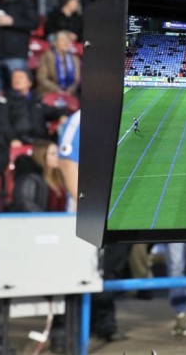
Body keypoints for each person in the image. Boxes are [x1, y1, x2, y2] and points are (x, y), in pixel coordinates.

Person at [56, 111, 128, 344]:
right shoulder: (81, 118)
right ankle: (66, 331)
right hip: (87, 214)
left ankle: (104, 322)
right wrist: (87, 205)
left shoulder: (122, 111)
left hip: (116, 212)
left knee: (110, 270)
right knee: (75, 272)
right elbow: (67, 162)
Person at [0, 69, 67, 147]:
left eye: (20, 77)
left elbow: (54, 111)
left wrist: (63, 115)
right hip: (18, 143)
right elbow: (3, 123)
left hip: (41, 142)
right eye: (14, 77)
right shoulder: (4, 101)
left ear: (30, 83)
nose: (16, 79)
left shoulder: (37, 101)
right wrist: (12, 139)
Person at [9, 139, 66, 212]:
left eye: (58, 153)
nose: (58, 157)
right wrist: (44, 218)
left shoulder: (60, 177)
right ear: (42, 156)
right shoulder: (31, 178)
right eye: (53, 154)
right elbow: (26, 204)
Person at [36, 30, 81, 96]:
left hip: (70, 94)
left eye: (69, 40)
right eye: (63, 40)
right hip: (50, 92)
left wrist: (70, 90)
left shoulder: (75, 59)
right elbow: (42, 78)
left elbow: (76, 80)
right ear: (56, 42)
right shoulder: (47, 56)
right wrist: (57, 90)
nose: (66, 43)